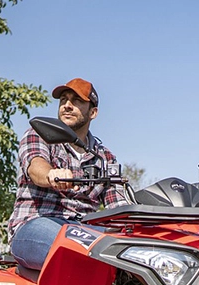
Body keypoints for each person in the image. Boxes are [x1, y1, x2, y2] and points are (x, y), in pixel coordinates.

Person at [7, 78, 128, 270]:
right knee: (74, 246)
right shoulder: (40, 134)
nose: (67, 106)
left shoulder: (105, 158)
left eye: (76, 101)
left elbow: (120, 206)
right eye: (63, 100)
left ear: (93, 112)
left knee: (132, 251)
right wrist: (51, 175)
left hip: (85, 229)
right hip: (37, 224)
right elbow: (35, 165)